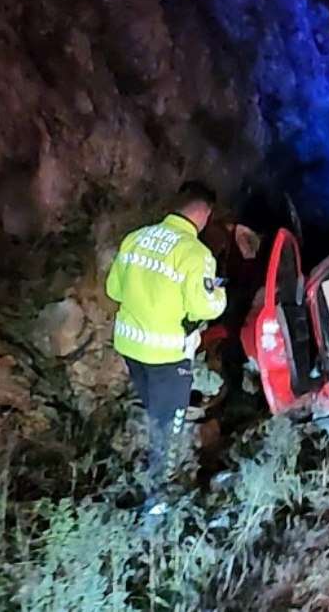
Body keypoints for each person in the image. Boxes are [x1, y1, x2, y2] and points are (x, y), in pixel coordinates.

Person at [106, 181, 227, 505]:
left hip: (132, 349)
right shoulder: (194, 253)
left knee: (153, 415)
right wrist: (218, 294)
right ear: (202, 212)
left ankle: (145, 478)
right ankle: (158, 503)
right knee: (169, 430)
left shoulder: (136, 238)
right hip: (167, 355)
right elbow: (204, 307)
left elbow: (114, 290)